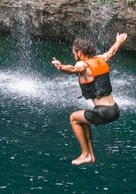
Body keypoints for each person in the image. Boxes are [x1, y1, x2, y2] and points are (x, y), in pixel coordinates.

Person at [51, 33, 127, 165]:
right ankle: (90, 155)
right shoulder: (100, 58)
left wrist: (60, 67)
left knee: (73, 118)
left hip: (103, 112)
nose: (73, 54)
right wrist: (118, 42)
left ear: (79, 52)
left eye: (74, 52)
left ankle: (85, 154)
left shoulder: (83, 64)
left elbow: (74, 69)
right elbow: (111, 52)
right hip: (114, 109)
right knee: (82, 119)